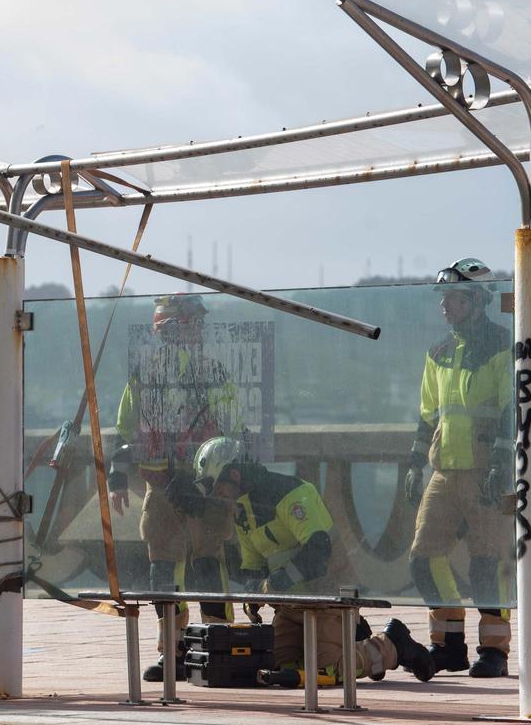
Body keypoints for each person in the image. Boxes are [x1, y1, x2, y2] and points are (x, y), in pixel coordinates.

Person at [200, 437, 434, 685]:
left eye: (217, 487)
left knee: (328, 670)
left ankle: (392, 644)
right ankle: (352, 636)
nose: (217, 495)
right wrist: (252, 598)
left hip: (328, 599)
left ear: (235, 475)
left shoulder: (292, 494)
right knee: (268, 663)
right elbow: (253, 567)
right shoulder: (243, 512)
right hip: (290, 608)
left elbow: (318, 550)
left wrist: (274, 584)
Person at [108, 293, 242, 682]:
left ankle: (215, 646)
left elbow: (234, 430)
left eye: (200, 323)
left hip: (205, 486)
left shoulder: (212, 372)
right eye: (192, 323)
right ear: (168, 329)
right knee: (162, 569)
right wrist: (118, 479)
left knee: (206, 563)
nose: (199, 330)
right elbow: (126, 430)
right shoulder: (143, 375)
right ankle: (174, 650)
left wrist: (226, 480)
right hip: (161, 487)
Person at [405, 258, 513, 678]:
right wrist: (415, 463)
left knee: (487, 562)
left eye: (452, 297)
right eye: (443, 298)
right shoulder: (438, 353)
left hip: (486, 469)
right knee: (422, 558)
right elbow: (428, 415)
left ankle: (495, 650)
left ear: (476, 300)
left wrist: (501, 464)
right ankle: (450, 644)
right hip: (445, 471)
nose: (444, 306)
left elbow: (511, 412)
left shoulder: (502, 346)